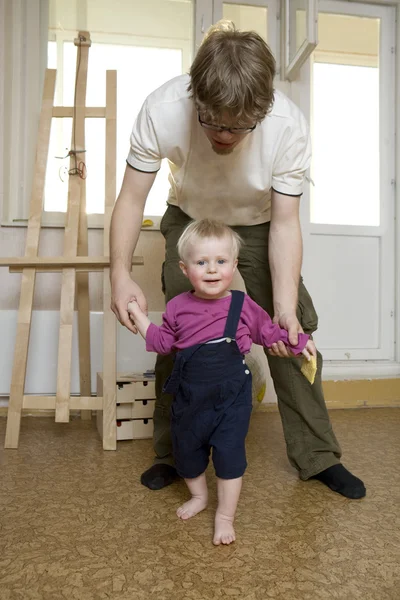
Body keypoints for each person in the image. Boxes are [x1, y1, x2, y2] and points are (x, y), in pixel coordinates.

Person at [110, 20, 366, 500]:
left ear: (263, 109)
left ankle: (317, 457)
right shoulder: (162, 108)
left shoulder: (287, 126)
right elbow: (130, 199)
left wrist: (284, 308)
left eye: (239, 126)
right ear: (195, 97)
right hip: (189, 220)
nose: (224, 135)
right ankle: (171, 453)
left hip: (261, 222)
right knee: (181, 331)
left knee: (293, 330)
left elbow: (286, 223)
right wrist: (119, 274)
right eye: (212, 121)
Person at [127, 219, 313, 545]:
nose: (212, 270)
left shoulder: (242, 305)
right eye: (202, 262)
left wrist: (300, 342)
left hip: (231, 397)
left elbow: (271, 334)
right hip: (189, 395)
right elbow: (161, 343)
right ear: (185, 269)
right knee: (186, 451)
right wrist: (139, 316)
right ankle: (199, 497)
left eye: (221, 262)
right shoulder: (177, 307)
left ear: (234, 265)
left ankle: (225, 515)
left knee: (229, 453)